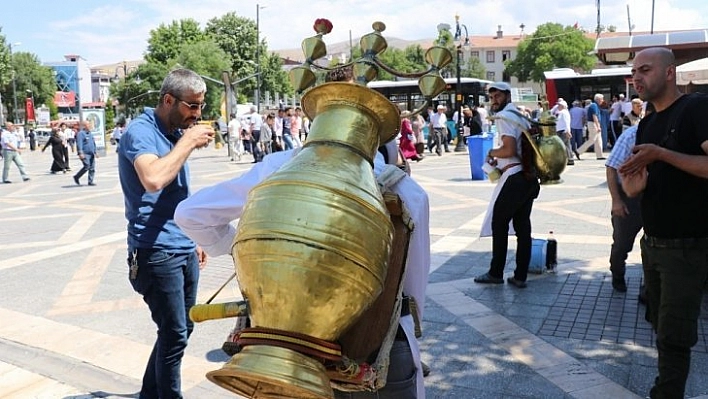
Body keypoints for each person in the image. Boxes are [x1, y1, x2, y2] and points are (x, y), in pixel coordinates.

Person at [174, 144, 430, 399]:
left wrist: (250, 252)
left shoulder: (278, 166)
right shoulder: (405, 188)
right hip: (375, 355)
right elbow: (412, 293)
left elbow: (190, 214)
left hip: (280, 359)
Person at [117, 68, 214, 399]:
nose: (197, 114)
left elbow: (177, 194)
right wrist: (187, 142)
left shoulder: (174, 130)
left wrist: (194, 236)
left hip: (182, 246)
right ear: (169, 100)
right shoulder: (140, 132)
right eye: (192, 106)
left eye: (201, 106)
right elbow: (153, 179)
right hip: (155, 251)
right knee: (174, 334)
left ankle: (150, 393)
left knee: (181, 329)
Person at [619, 47, 708, 399]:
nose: (636, 77)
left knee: (674, 337)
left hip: (686, 246)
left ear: (669, 73)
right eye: (634, 71)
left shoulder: (696, 108)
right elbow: (645, 183)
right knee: (661, 327)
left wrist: (662, 155)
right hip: (653, 244)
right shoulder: (647, 123)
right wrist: (634, 187)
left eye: (645, 69)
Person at [473, 82, 540, 288]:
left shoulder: (504, 117)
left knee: (499, 223)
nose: (494, 100)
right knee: (522, 227)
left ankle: (496, 272)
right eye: (492, 97)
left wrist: (492, 153)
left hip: (515, 177)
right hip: (528, 177)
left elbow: (509, 149)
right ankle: (520, 276)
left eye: (498, 96)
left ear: (508, 96)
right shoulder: (520, 115)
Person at [604, 102, 654, 294]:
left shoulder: (668, 135)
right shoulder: (631, 136)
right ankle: (617, 273)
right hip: (628, 196)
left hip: (655, 196)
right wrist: (617, 201)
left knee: (654, 245)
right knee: (622, 244)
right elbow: (611, 167)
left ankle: (649, 289)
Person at [576, 93, 606, 160]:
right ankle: (578, 151)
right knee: (592, 140)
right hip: (593, 124)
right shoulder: (594, 106)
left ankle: (599, 155)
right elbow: (594, 116)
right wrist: (598, 126)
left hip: (593, 123)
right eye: (602, 99)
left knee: (598, 140)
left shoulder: (594, 105)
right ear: (598, 99)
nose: (603, 101)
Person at [73, 122, 98, 186]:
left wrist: (95, 151)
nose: (90, 126)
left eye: (90, 125)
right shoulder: (81, 134)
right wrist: (80, 153)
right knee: (87, 166)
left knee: (92, 168)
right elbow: (79, 144)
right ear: (84, 126)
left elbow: (93, 143)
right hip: (85, 153)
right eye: (89, 125)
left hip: (91, 153)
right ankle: (76, 177)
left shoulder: (90, 133)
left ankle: (90, 181)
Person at [554, 99, 574, 166]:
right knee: (567, 145)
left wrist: (567, 131)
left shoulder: (562, 112)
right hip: (563, 130)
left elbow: (566, 122)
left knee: (561, 146)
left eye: (559, 105)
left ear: (563, 106)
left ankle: (562, 159)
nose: (558, 106)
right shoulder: (564, 112)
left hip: (562, 131)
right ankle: (570, 159)